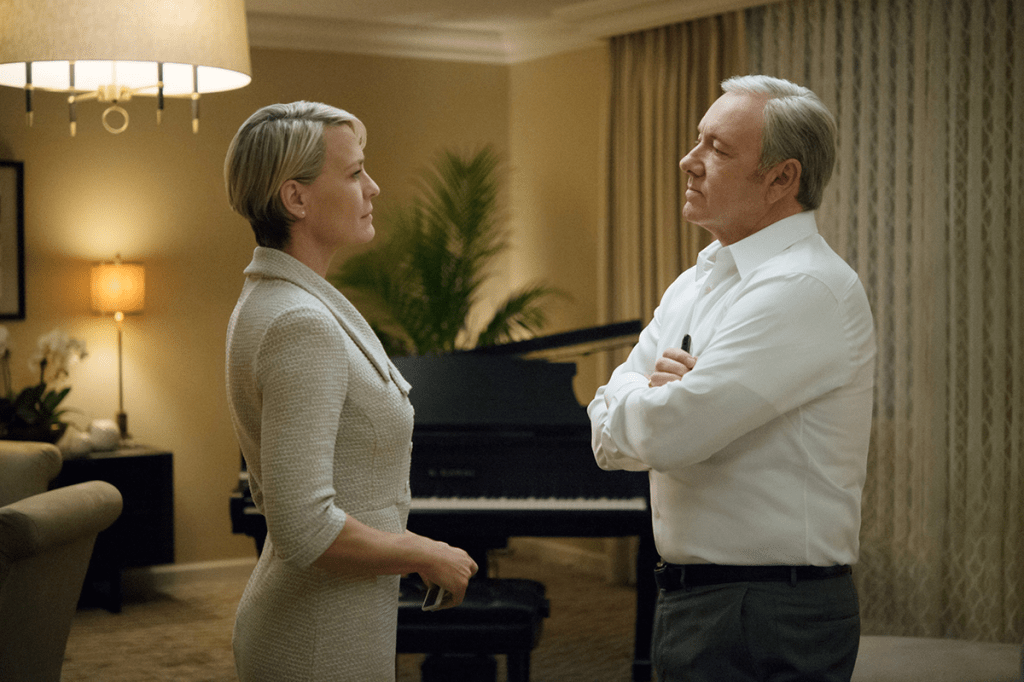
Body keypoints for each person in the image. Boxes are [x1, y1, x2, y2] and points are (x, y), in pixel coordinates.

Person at [589, 75, 875, 681]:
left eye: (717, 149)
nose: (689, 161)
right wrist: (648, 395)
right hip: (699, 600)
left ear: (781, 179)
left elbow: (668, 435)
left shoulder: (803, 286)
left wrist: (643, 400)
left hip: (767, 612)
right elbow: (606, 434)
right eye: (699, 140)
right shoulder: (695, 282)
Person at [223, 101, 478, 681]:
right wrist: (427, 553)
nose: (373, 187)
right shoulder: (300, 322)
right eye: (355, 172)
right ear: (296, 198)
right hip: (314, 637)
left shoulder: (277, 298)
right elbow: (305, 527)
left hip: (332, 619)